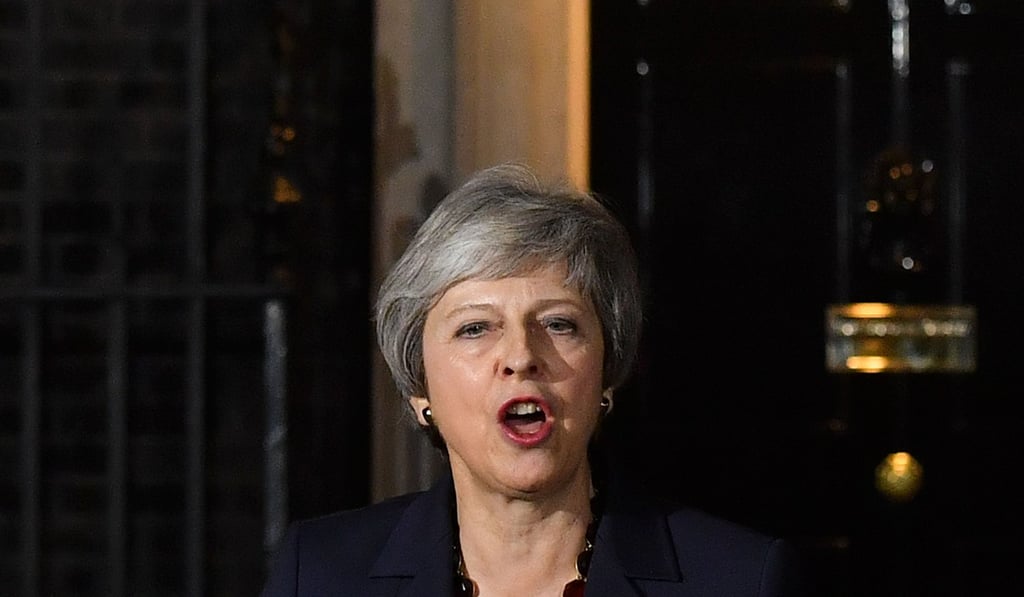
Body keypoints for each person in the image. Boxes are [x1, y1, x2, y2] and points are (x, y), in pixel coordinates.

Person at [261, 162, 807, 596]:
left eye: (558, 324)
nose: (521, 356)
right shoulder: (321, 574)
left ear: (606, 374)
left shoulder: (740, 579)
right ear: (418, 387)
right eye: (476, 328)